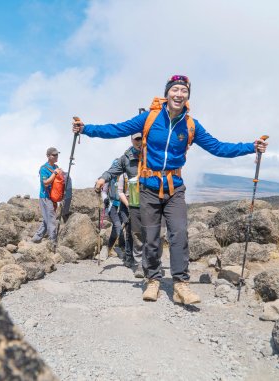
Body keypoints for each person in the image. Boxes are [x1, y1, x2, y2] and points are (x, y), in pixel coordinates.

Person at [72, 74, 268, 304]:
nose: (179, 94)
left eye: (183, 91)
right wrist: (86, 129)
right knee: (151, 237)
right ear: (167, 94)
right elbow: (116, 129)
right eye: (175, 89)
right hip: (148, 188)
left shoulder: (191, 125)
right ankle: (153, 280)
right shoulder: (149, 118)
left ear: (187, 97)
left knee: (179, 234)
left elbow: (218, 147)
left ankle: (181, 285)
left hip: (175, 187)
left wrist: (251, 147)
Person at [96, 133, 145, 278]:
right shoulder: (121, 168)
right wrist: (106, 199)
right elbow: (113, 190)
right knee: (121, 228)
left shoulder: (125, 175)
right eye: (136, 138)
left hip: (126, 204)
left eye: (141, 138)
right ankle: (116, 251)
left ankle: (125, 254)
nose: (139, 141)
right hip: (115, 205)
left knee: (129, 229)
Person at [32, 147, 62, 246]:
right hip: (45, 197)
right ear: (48, 156)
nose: (56, 156)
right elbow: (45, 183)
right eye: (54, 155)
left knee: (47, 219)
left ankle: (36, 238)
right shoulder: (43, 169)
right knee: (51, 219)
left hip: (53, 198)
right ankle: (52, 242)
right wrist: (55, 173)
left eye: (57, 154)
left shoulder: (56, 167)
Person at [101, 163, 125, 258]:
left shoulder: (124, 176)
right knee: (118, 225)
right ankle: (123, 247)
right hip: (112, 205)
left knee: (116, 228)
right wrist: (105, 199)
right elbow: (104, 191)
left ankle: (109, 248)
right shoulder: (109, 177)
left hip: (122, 205)